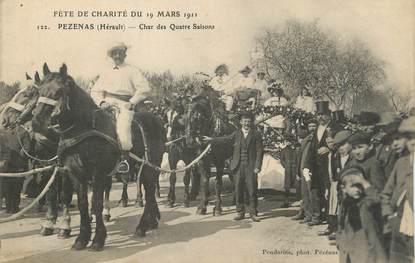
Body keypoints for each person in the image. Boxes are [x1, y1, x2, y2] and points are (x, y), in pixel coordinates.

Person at [91, 42, 151, 170]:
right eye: (114, 53)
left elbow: (144, 89)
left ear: (125, 54)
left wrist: (132, 102)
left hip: (124, 105)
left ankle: (124, 160)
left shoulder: (132, 70)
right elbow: (95, 91)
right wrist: (101, 102)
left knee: (123, 128)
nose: (117, 55)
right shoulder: (106, 72)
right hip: (106, 104)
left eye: (120, 53)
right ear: (111, 56)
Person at [203, 112, 263, 222]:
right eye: (244, 121)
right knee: (238, 189)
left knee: (252, 190)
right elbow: (225, 139)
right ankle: (240, 212)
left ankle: (253, 212)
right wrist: (211, 139)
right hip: (238, 166)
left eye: (249, 121)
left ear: (251, 122)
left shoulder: (256, 134)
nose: (246, 123)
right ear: (240, 122)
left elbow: (260, 151)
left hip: (251, 166)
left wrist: (257, 166)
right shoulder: (236, 133)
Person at [381, 116, 414, 263]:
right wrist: (390, 216)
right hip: (399, 223)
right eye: (409, 137)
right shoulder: (401, 163)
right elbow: (386, 194)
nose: (413, 142)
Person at [336, 167, 387, 263]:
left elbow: (377, 199)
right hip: (349, 250)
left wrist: (364, 183)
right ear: (344, 189)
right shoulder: (345, 204)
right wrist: (340, 241)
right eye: (353, 186)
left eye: (360, 186)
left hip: (367, 249)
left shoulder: (366, 202)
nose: (357, 190)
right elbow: (340, 225)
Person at [303, 101, 332, 226]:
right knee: (315, 191)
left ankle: (329, 217)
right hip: (316, 166)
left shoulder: (335, 127)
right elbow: (311, 149)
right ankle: (317, 216)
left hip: (329, 165)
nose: (320, 117)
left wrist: (329, 149)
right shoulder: (317, 129)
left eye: (323, 114)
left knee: (328, 191)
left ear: (329, 115)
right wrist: (307, 165)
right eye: (318, 114)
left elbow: (342, 143)